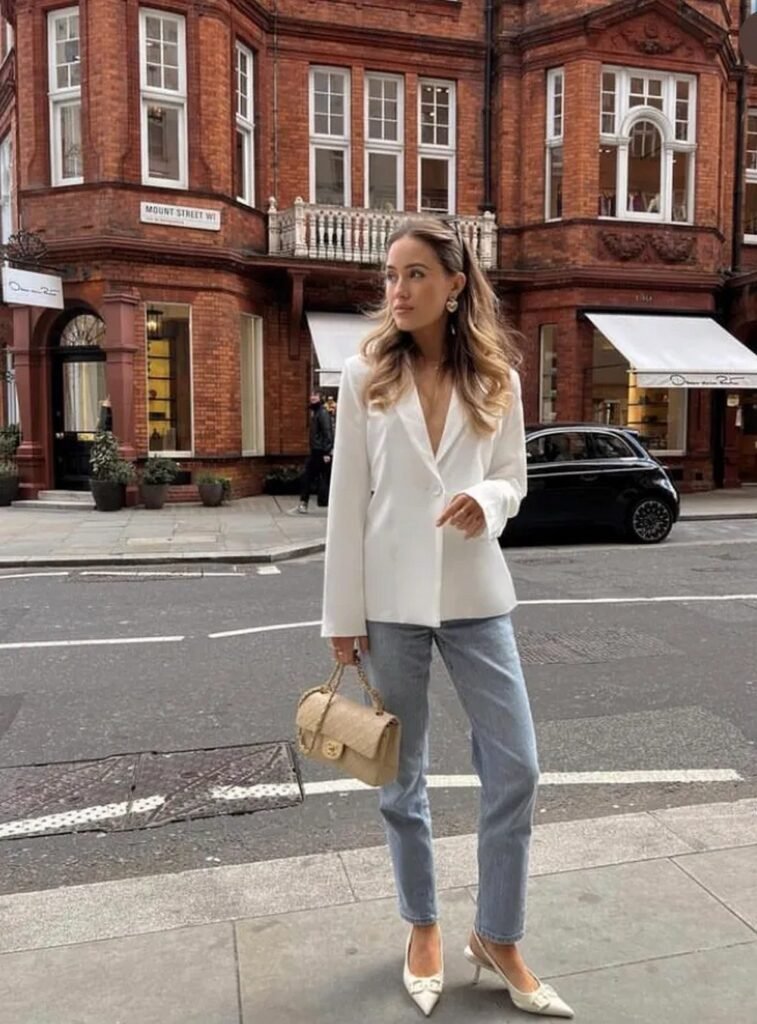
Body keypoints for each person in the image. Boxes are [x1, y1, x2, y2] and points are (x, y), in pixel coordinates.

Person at [321, 218, 573, 1019]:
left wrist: (487, 500)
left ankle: (496, 935)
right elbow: (346, 503)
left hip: (474, 595)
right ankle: (422, 924)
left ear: (455, 284)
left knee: (518, 766)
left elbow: (514, 478)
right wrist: (341, 613)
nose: (396, 290)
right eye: (390, 276)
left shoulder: (496, 377)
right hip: (391, 602)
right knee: (402, 774)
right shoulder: (365, 376)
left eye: (415, 275)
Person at [298, 390, 334, 514]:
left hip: (320, 452)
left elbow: (327, 432)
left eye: (315, 395)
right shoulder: (316, 412)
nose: (312, 397)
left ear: (321, 398)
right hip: (317, 451)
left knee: (310, 477)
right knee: (321, 478)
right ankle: (304, 503)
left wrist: (326, 452)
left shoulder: (322, 413)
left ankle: (304, 503)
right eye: (311, 395)